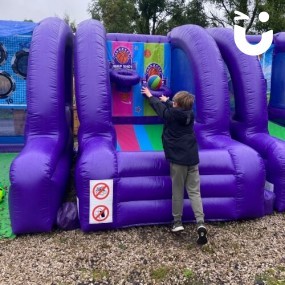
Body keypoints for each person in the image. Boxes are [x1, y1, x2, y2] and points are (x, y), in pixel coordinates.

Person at [141, 86, 207, 245]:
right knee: (194, 192)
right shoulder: (190, 114)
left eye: (174, 102)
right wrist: (168, 101)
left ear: (177, 104)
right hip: (192, 158)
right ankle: (200, 223)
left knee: (177, 190)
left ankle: (177, 222)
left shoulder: (170, 115)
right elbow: (175, 109)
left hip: (178, 160)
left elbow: (161, 110)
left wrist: (150, 96)